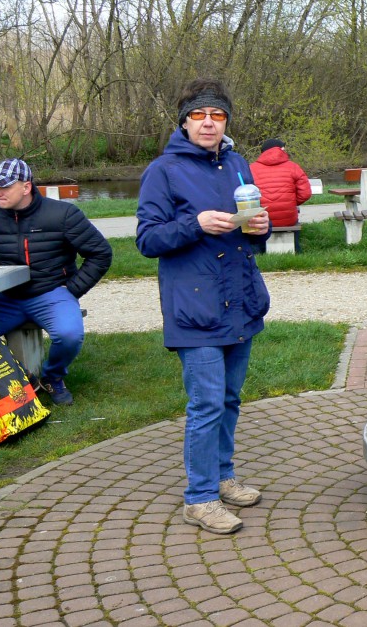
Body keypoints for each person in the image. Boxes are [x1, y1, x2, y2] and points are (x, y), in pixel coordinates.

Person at [136, 78, 271, 535]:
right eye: (199, 115)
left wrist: (260, 228)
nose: (209, 123)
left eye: (217, 115)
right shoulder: (164, 170)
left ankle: (223, 476)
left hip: (240, 300)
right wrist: (193, 224)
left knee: (230, 399)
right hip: (195, 306)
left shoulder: (237, 163)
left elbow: (254, 232)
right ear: (185, 122)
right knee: (206, 403)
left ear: (226, 122)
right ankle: (200, 497)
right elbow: (147, 239)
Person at [0, 158, 112, 406]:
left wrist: (73, 288)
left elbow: (101, 253)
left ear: (26, 187)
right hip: (4, 298)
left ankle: (52, 377)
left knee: (69, 334)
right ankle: (20, 377)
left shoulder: (63, 215)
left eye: (5, 186)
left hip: (50, 293)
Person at [249, 138, 312, 228]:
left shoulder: (251, 168)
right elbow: (305, 193)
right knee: (294, 235)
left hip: (262, 220)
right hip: (288, 219)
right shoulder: (293, 167)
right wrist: (290, 202)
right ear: (281, 149)